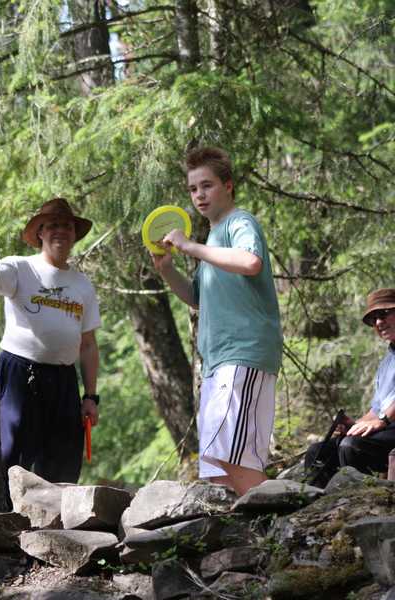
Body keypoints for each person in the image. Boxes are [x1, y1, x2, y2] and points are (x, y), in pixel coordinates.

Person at [152, 146, 282, 496]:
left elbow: (250, 261)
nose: (199, 195)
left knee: (233, 458)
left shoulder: (239, 222)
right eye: (193, 189)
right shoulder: (212, 240)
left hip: (244, 352)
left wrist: (189, 247)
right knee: (217, 468)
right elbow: (197, 297)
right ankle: (254, 526)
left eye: (207, 185)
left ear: (228, 185)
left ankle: (283, 518)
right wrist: (166, 269)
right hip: (216, 361)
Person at [0, 197, 101, 499]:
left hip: (64, 380)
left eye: (67, 226)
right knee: (10, 452)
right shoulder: (18, 267)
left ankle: (56, 521)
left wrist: (90, 396)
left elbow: (88, 345)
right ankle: (3, 517)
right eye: (53, 225)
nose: (60, 231)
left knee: (63, 459)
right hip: (20, 374)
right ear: (40, 232)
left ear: (74, 234)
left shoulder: (82, 284)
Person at [305, 288, 395, 488]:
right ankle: (316, 502)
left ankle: (361, 502)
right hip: (387, 428)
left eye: (383, 314)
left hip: (390, 426)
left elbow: (382, 417)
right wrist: (355, 424)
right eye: (373, 319)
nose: (378, 322)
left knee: (351, 447)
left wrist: (383, 420)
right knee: (318, 452)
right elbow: (377, 410)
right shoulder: (387, 362)